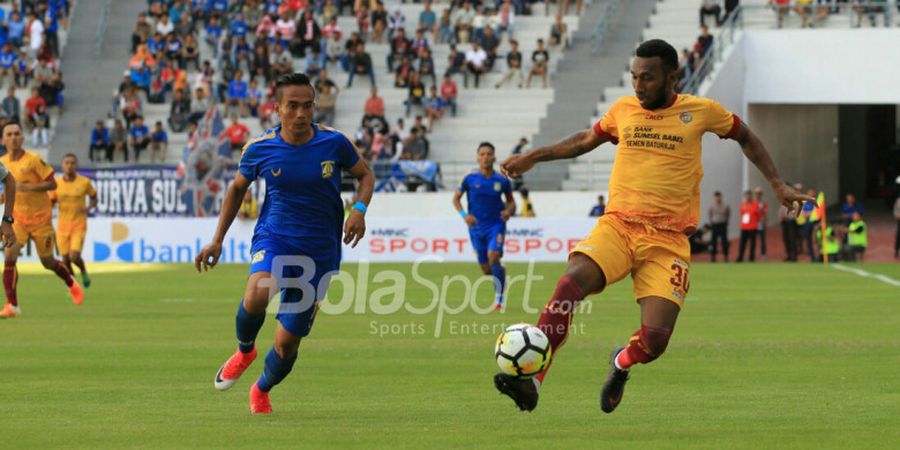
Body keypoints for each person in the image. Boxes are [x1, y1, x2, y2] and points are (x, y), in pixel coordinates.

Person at [493, 39, 812, 413]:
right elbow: (584, 140)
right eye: (634, 77)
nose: (638, 85)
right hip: (619, 226)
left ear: (671, 76)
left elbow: (745, 137)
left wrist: (776, 183)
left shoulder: (702, 111)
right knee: (569, 284)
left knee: (655, 341)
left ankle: (620, 363)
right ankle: (533, 379)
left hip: (668, 240)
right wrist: (532, 157)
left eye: (647, 77)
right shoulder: (623, 110)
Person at [195, 73, 374, 414]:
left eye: (307, 106)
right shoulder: (259, 148)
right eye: (292, 106)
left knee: (287, 343)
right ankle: (245, 350)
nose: (301, 114)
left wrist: (359, 210)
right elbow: (236, 189)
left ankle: (261, 389)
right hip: (275, 238)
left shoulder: (334, 143)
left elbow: (365, 175)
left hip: (319, 252)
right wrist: (217, 240)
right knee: (257, 293)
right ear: (276, 109)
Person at [0, 122, 84, 318]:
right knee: (9, 257)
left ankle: (70, 282)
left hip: (41, 220)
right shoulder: (2, 162)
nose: (13, 138)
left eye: (17, 134)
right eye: (9, 134)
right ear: (3, 140)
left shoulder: (34, 160)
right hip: (18, 219)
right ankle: (13, 305)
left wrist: (28, 188)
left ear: (22, 138)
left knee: (47, 262)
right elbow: (8, 191)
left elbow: (53, 183)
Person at [452, 142, 516, 310]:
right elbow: (456, 199)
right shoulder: (469, 178)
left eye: (489, 154)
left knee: (493, 255)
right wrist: (464, 215)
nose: (485, 157)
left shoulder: (502, 180)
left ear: (494, 157)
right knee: (486, 268)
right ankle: (500, 273)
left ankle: (499, 300)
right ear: (477, 157)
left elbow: (511, 202)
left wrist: (508, 212)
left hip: (496, 225)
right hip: (476, 227)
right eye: (482, 154)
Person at [50, 154, 97, 288]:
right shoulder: (57, 183)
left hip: (79, 225)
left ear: (76, 165)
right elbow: (51, 201)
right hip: (62, 226)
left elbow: (94, 197)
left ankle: (83, 271)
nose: (69, 165)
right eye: (67, 163)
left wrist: (89, 207)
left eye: (72, 163)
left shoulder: (84, 182)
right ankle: (74, 285)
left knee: (74, 256)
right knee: (65, 260)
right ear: (62, 165)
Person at [736, 190, 758, 262]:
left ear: (751, 196)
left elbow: (758, 215)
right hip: (744, 226)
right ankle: (740, 257)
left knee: (752, 243)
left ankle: (751, 258)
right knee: (742, 243)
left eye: (749, 195)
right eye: (746, 195)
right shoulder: (743, 204)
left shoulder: (755, 204)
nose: (748, 197)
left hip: (752, 226)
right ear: (745, 196)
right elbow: (742, 213)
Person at [708, 190, 730, 262]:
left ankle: (726, 257)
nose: (718, 198)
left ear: (721, 197)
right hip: (715, 225)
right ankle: (713, 257)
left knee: (724, 241)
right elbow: (710, 215)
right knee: (713, 241)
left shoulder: (725, 205)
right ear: (715, 197)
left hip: (722, 224)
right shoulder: (712, 206)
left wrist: (726, 222)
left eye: (719, 196)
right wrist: (712, 223)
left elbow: (728, 214)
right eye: (716, 197)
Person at [754, 187, 768, 260]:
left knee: (762, 239)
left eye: (759, 194)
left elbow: (765, 213)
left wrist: (765, 222)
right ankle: (752, 253)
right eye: (757, 194)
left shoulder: (763, 203)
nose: (758, 195)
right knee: (753, 239)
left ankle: (763, 253)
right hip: (753, 223)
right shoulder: (753, 202)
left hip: (761, 222)